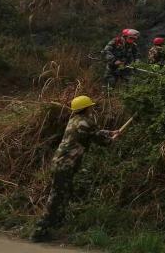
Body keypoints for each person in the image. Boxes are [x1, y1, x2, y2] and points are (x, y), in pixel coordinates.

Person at [30, 96, 120, 242]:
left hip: (60, 164)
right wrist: (112, 138)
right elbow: (102, 141)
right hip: (66, 165)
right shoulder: (87, 122)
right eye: (90, 106)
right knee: (56, 198)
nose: (92, 108)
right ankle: (39, 232)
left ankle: (55, 226)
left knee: (63, 195)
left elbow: (94, 132)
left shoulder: (75, 121)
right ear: (87, 108)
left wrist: (109, 132)